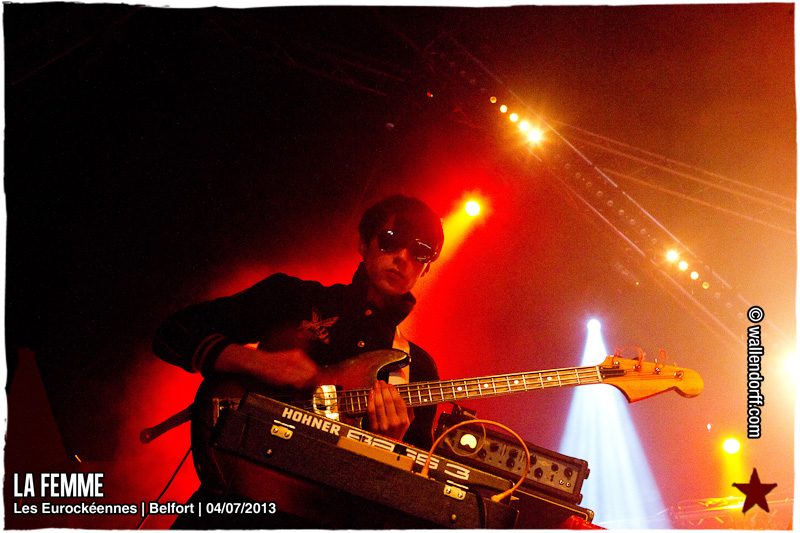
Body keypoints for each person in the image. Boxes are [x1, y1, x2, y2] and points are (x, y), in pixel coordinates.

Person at [152, 194, 444, 527]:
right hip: (231, 506)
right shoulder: (293, 298)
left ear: (426, 267)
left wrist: (392, 446)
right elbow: (173, 333)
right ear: (364, 243)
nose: (402, 257)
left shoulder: (418, 369)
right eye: (390, 241)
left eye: (420, 251)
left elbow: (409, 505)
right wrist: (258, 363)